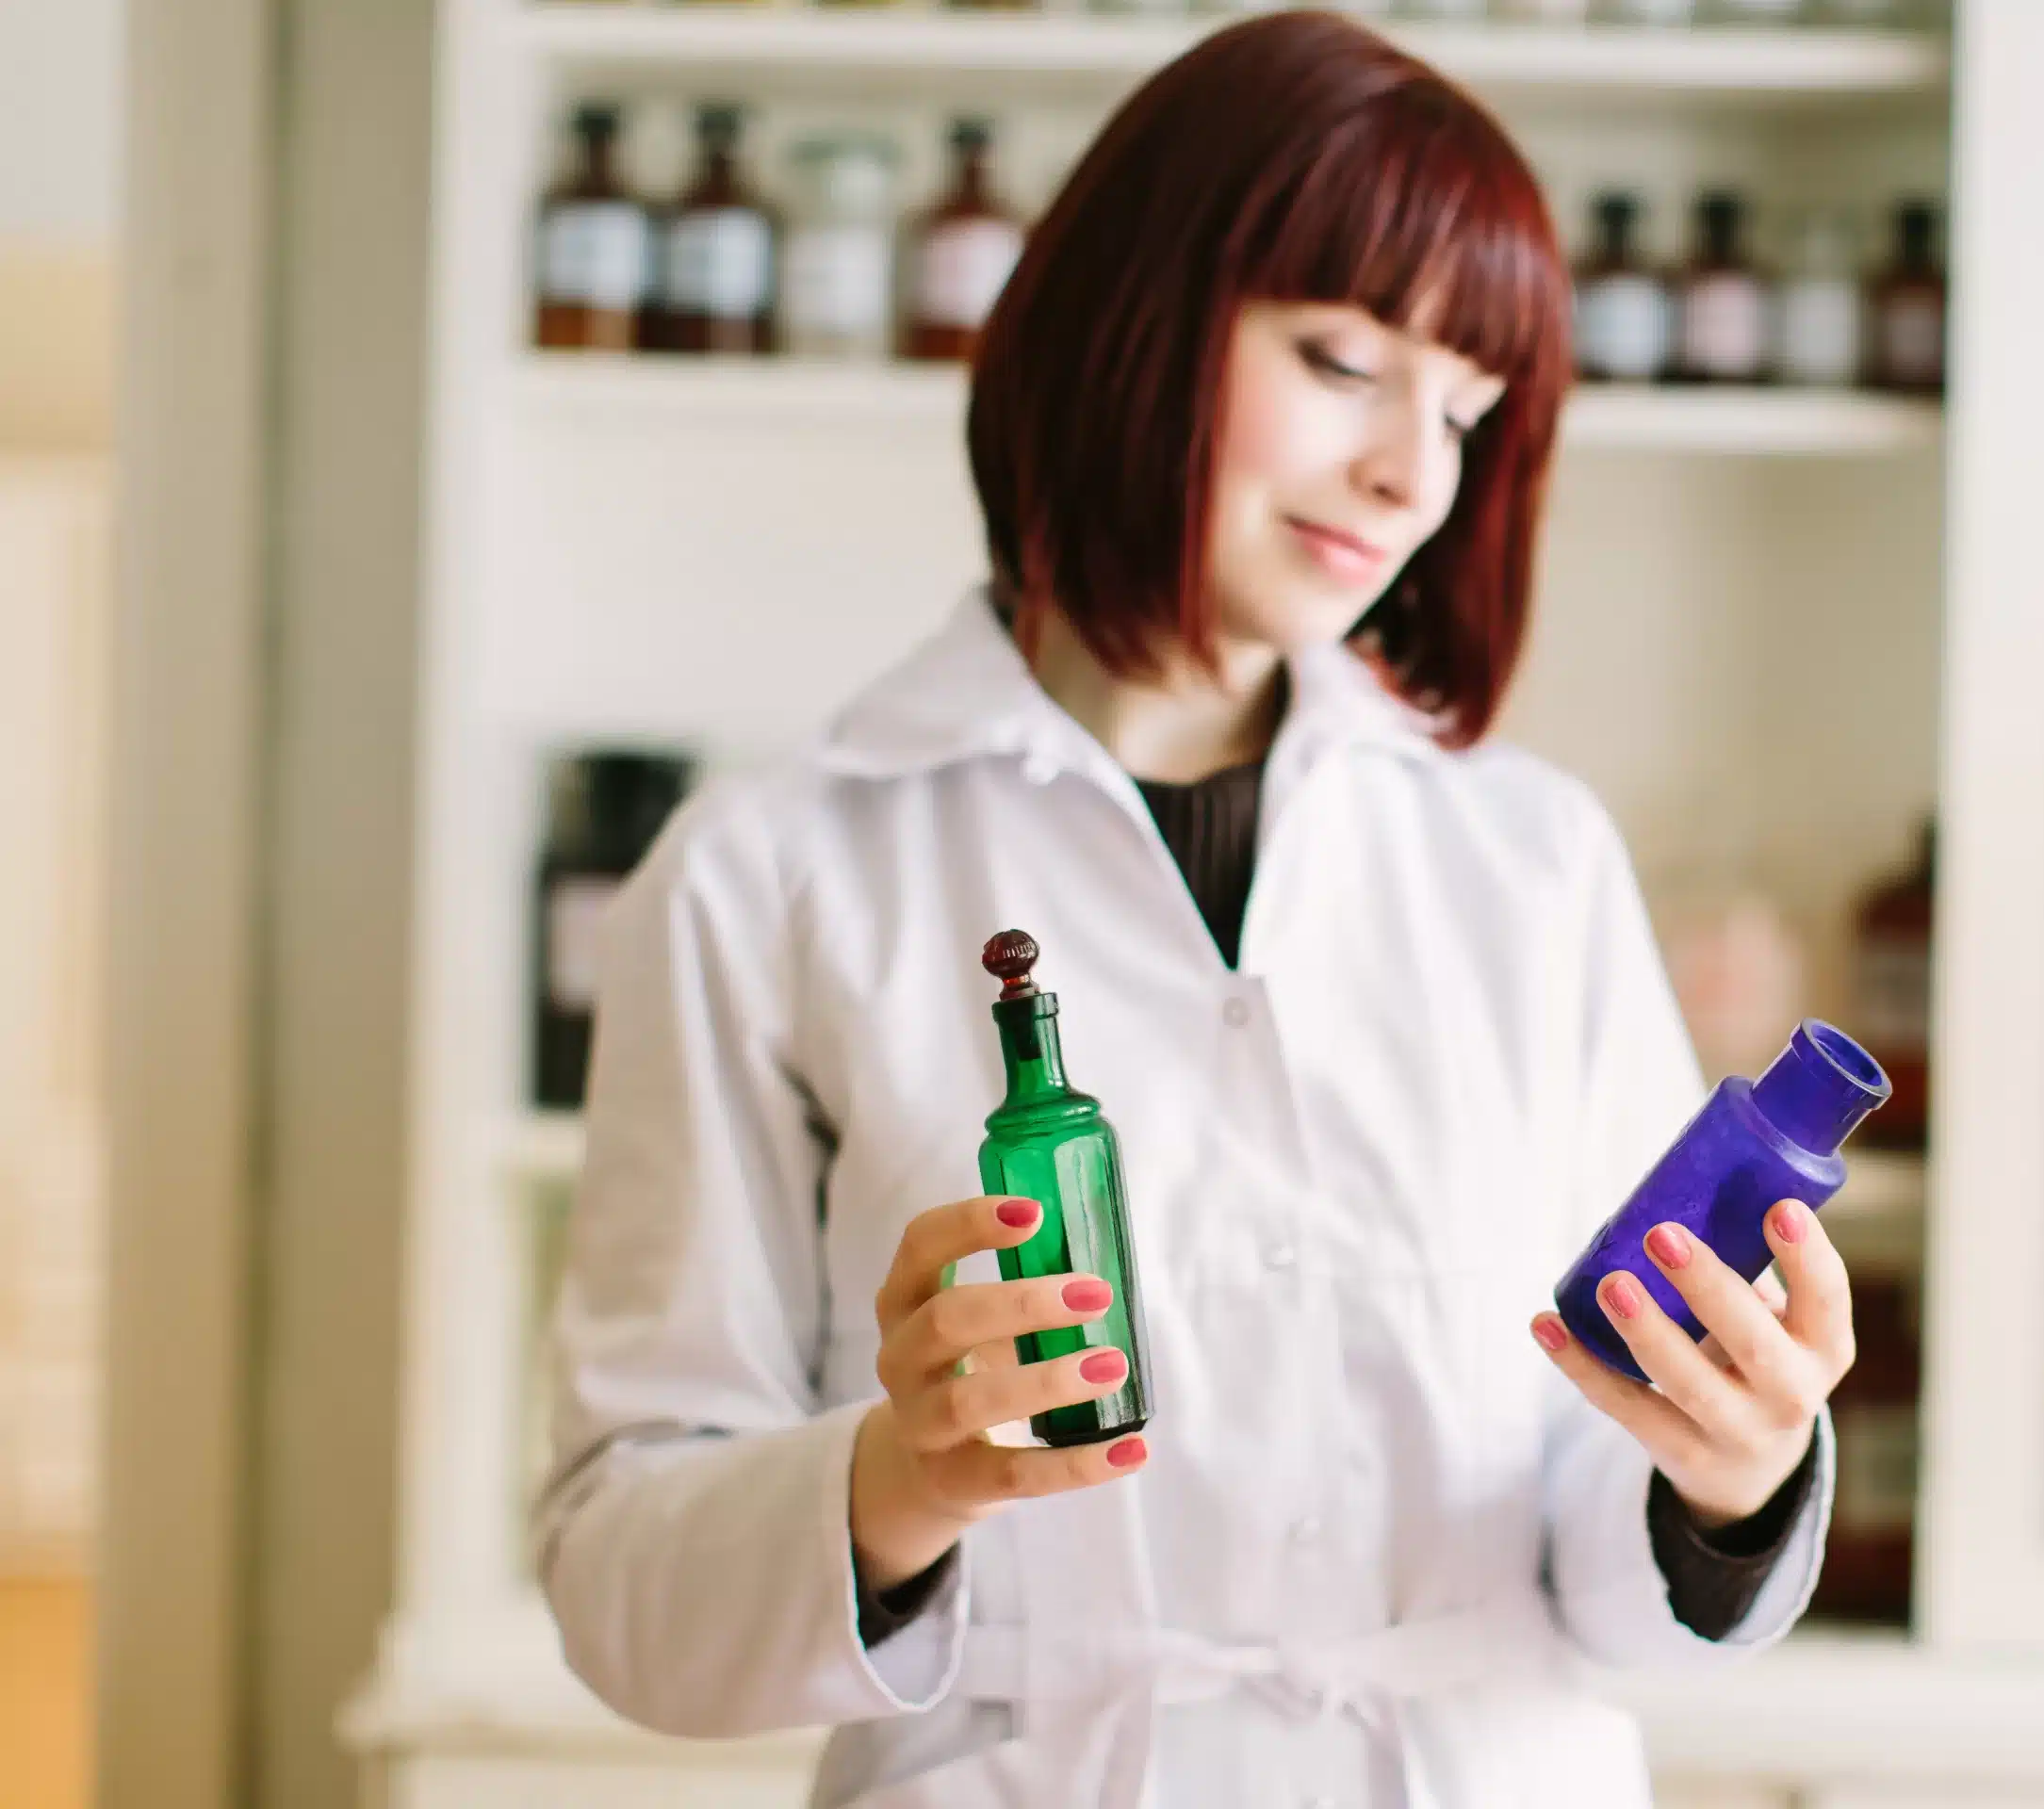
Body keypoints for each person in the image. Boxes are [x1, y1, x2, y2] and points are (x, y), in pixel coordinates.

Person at [537, 13, 1856, 1806]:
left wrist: (1733, 1472)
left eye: (1466, 410)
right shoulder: (773, 871)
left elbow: (1599, 1539)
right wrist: (907, 1473)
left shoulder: (1528, 865)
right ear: (1131, 325)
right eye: (1341, 359)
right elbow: (627, 1580)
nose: (1411, 473)